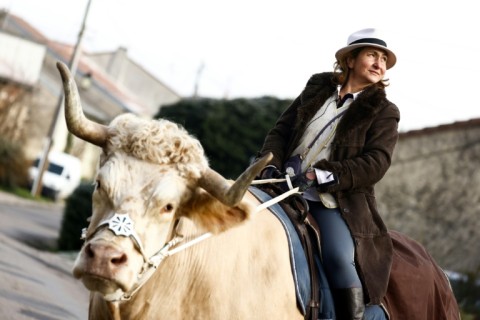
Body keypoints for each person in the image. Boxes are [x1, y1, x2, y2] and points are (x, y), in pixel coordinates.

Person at [256, 28, 399, 320]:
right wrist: (270, 163)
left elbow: (376, 163)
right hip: (278, 184)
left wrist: (319, 176)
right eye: (372, 54)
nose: (379, 63)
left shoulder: (384, 111)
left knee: (337, 258)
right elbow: (280, 132)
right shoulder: (316, 91)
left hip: (332, 200)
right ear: (349, 60)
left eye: (384, 59)